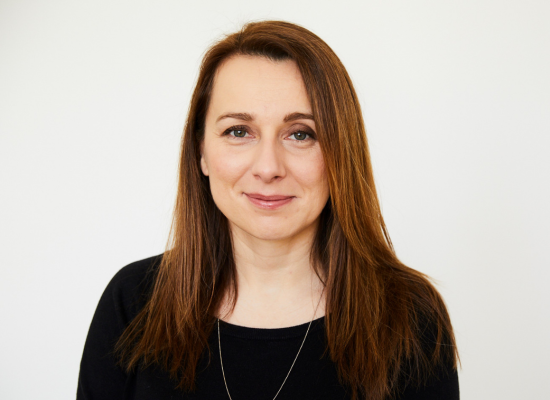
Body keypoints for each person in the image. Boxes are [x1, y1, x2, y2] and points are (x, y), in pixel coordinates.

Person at [77, 20, 459, 400]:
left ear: (341, 154)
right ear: (201, 152)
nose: (268, 168)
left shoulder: (409, 316)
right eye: (238, 131)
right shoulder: (133, 302)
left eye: (301, 134)